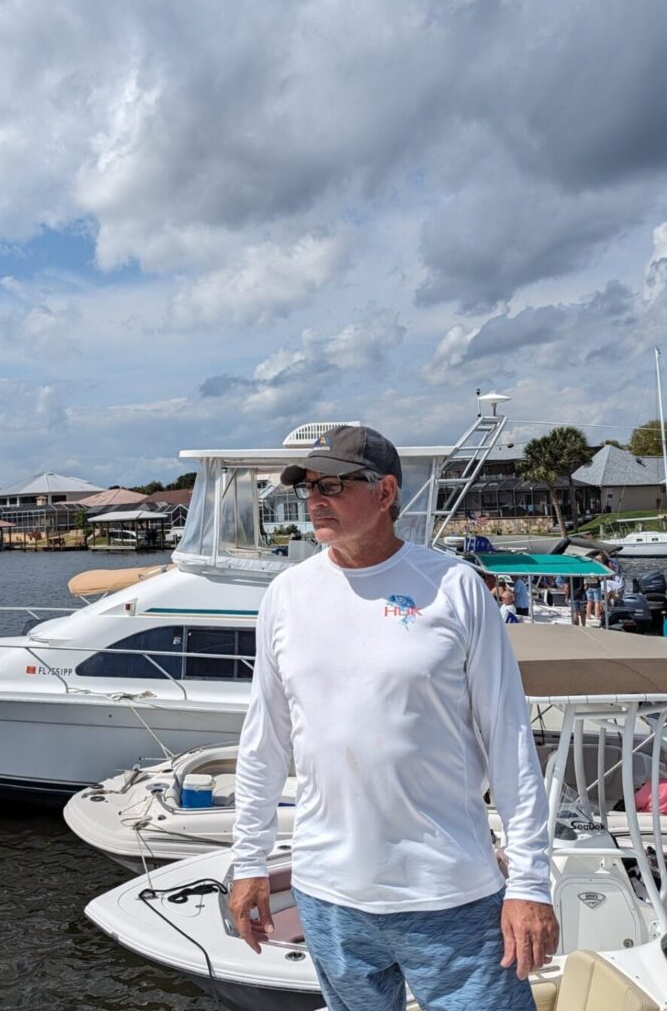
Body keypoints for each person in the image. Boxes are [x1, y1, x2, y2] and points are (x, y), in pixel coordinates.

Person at [229, 425, 557, 1011]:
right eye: (307, 486)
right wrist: (250, 860)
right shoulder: (286, 595)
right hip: (329, 897)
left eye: (331, 484)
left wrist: (530, 883)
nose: (314, 499)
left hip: (451, 895)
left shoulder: (455, 587)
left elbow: (509, 741)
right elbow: (265, 743)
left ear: (384, 493)